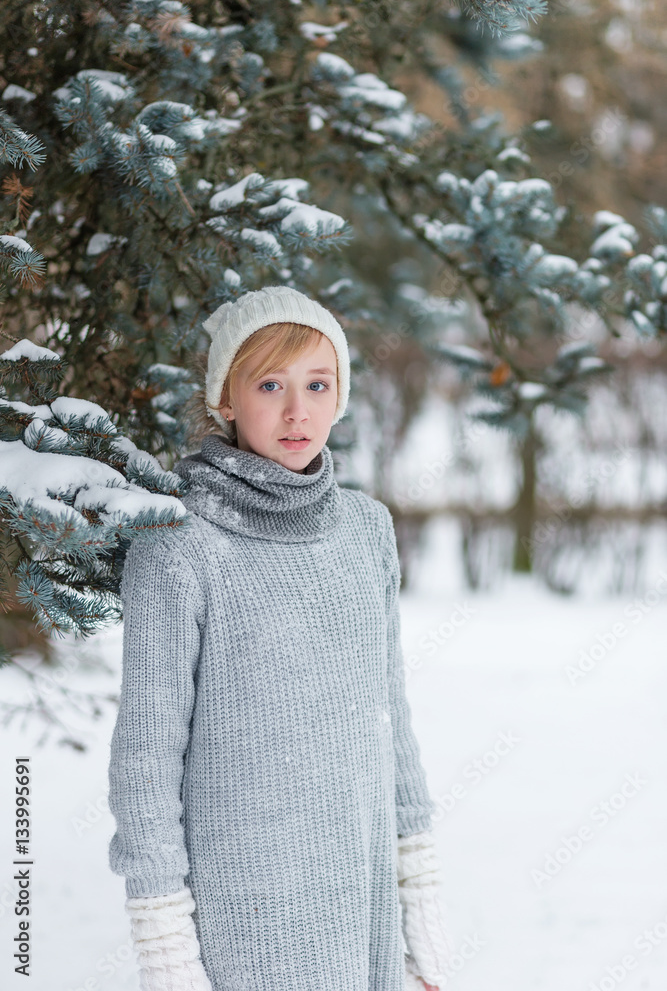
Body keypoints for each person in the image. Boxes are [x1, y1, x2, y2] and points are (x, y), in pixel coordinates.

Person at [107, 285, 455, 991]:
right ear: (225, 400)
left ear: (340, 396)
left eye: (317, 384)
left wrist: (417, 888)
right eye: (270, 383)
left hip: (363, 902)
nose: (298, 410)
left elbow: (390, 716)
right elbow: (145, 758)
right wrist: (164, 941)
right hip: (250, 912)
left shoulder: (365, 529)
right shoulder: (179, 545)